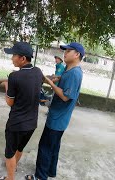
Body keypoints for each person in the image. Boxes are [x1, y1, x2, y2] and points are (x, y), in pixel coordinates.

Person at [25, 42, 84, 180]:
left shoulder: (74, 73)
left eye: (69, 51)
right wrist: (56, 78)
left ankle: (40, 176)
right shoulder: (70, 70)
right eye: (65, 50)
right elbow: (65, 80)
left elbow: (65, 96)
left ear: (77, 55)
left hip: (57, 118)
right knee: (54, 145)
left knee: (45, 146)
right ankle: (50, 171)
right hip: (60, 118)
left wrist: (51, 83)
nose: (65, 52)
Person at [0, 42, 43, 180]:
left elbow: (10, 102)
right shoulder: (38, 72)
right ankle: (13, 167)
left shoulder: (14, 77)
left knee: (9, 154)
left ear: (22, 58)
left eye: (14, 56)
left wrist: (7, 85)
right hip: (31, 123)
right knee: (20, 148)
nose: (12, 58)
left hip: (16, 124)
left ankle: (10, 178)